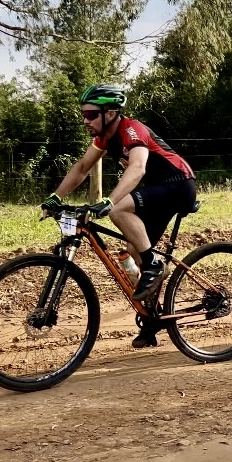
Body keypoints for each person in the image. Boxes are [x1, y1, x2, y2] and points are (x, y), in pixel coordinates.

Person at [40, 84, 196, 348]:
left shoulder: (132, 130)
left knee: (119, 209)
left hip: (178, 184)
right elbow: (81, 168)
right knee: (134, 254)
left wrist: (109, 201)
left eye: (90, 115)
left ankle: (155, 264)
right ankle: (153, 320)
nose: (85, 120)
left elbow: (137, 168)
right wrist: (56, 197)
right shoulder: (104, 138)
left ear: (110, 113)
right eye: (83, 115)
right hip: (158, 189)